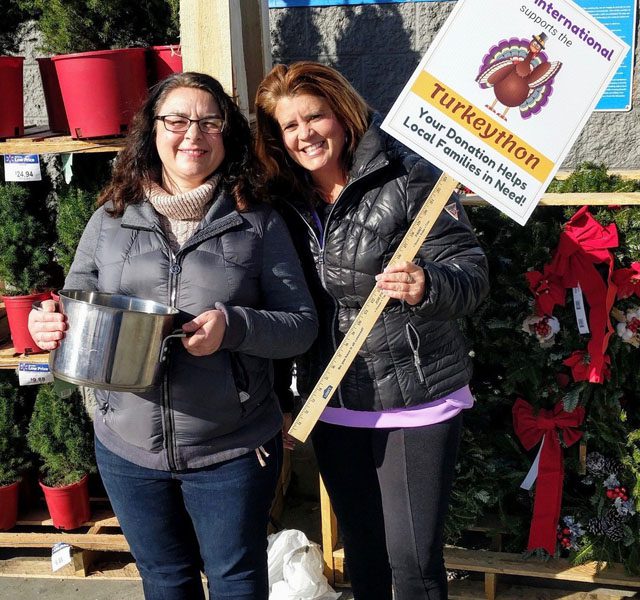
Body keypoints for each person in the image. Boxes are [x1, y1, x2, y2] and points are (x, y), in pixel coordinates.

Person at [28, 71, 318, 600]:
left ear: (227, 135)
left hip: (230, 448)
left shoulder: (258, 223)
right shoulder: (110, 219)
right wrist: (46, 322)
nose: (193, 134)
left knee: (236, 580)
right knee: (165, 581)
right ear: (152, 131)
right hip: (126, 445)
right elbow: (73, 301)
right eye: (177, 120)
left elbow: (300, 325)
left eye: (209, 122)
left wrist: (235, 327)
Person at [254, 61, 490, 600]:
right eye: (289, 126)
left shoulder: (408, 178)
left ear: (343, 113)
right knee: (364, 549)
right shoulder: (281, 205)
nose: (305, 134)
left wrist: (427, 283)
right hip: (332, 398)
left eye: (315, 116)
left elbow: (473, 276)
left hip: (416, 397)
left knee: (412, 561)